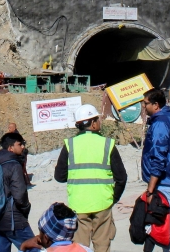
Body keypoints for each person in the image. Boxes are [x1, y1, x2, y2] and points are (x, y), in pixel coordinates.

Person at [54, 105, 126, 252]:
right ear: (93, 123)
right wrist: (113, 198)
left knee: (80, 247)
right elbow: (122, 178)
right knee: (102, 246)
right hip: (103, 203)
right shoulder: (108, 144)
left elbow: (59, 177)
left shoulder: (70, 145)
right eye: (98, 119)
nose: (99, 122)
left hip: (78, 205)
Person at [140, 88, 170, 252]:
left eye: (146, 104)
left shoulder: (161, 123)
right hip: (168, 180)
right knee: (160, 225)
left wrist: (150, 189)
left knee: (167, 227)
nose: (144, 107)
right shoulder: (169, 118)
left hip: (164, 182)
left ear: (155, 105)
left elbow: (159, 156)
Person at [0, 131, 33, 252]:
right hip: (14, 220)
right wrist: (26, 209)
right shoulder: (14, 165)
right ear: (10, 148)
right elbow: (19, 195)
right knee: (33, 248)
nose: (22, 147)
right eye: (19, 144)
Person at [20, 202, 90, 252]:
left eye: (40, 231)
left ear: (46, 238)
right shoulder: (86, 250)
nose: (38, 236)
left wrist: (23, 246)